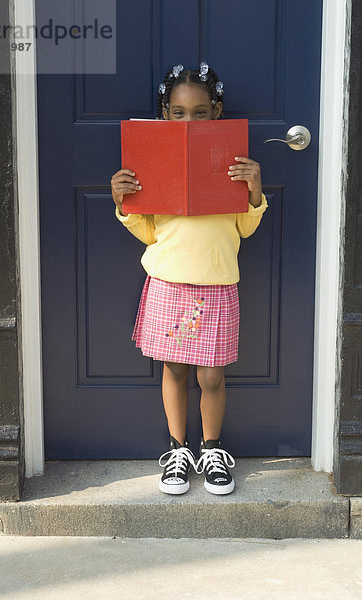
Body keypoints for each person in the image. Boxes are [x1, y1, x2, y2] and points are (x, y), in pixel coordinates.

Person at [110, 62, 268, 496]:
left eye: (200, 112)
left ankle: (211, 449)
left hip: (216, 284)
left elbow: (244, 228)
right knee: (175, 370)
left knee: (212, 377)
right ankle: (178, 450)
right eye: (178, 112)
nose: (189, 120)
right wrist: (124, 203)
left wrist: (254, 189)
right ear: (165, 114)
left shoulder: (231, 162)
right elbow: (148, 231)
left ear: (216, 112)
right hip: (170, 284)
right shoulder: (155, 163)